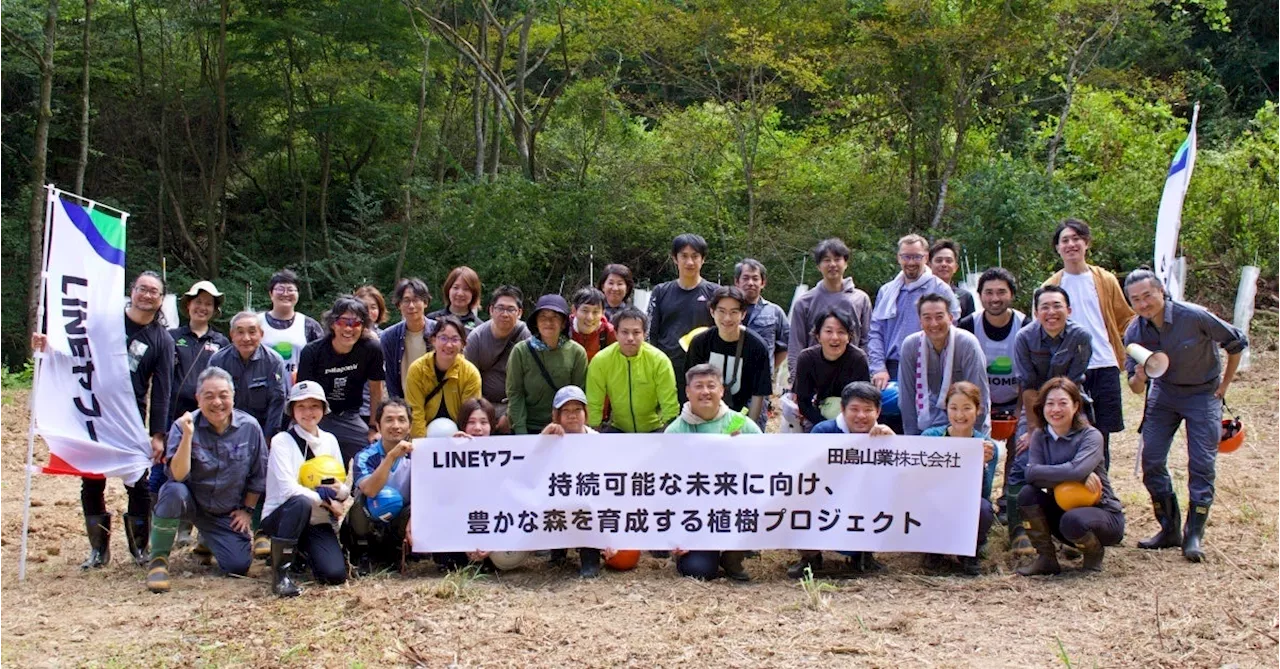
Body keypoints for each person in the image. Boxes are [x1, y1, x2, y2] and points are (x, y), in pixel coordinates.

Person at [31, 271, 176, 570]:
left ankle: (140, 548)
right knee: (92, 478)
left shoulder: (162, 340)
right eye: (142, 289)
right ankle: (99, 550)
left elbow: (163, 391)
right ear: (132, 291)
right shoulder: (104, 323)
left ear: (161, 299)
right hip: (93, 412)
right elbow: (74, 349)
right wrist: (48, 345)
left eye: (154, 292)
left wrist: (158, 433)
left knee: (138, 481)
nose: (147, 295)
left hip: (129, 418)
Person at [1123, 268, 1247, 562]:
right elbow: (1135, 388)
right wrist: (1139, 376)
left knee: (1202, 464)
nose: (1143, 304)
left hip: (1203, 393)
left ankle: (1194, 534)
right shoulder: (1135, 332)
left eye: (1147, 296)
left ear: (1161, 291)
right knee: (1151, 460)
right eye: (1135, 299)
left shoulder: (1193, 316)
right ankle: (1169, 528)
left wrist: (1225, 384)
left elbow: (1236, 342)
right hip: (1163, 394)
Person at [144, 367, 267, 593]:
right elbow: (177, 475)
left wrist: (247, 510)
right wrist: (188, 436)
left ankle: (207, 541)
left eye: (223, 395)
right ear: (198, 398)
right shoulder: (183, 426)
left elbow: (259, 475)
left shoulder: (250, 427)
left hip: (224, 512)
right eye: (209, 396)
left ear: (233, 396)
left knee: (237, 566)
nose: (217, 402)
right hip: (191, 504)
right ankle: (158, 559)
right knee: (173, 491)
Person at [1043, 218, 1135, 470]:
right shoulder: (1050, 287)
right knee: (1070, 427)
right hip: (1068, 371)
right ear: (1057, 248)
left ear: (1086, 243)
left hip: (1104, 364)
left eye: (1076, 239)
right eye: (1065, 240)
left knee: (1101, 433)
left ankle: (1101, 487)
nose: (1071, 244)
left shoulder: (1105, 279)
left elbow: (1125, 319)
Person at [1010, 285, 1092, 554]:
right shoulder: (1024, 337)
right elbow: (1029, 384)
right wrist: (1034, 428)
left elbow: (1073, 385)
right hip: (1034, 407)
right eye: (1044, 307)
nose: (1051, 312)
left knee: (1087, 458)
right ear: (1036, 313)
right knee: (1023, 456)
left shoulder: (1080, 336)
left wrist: (1063, 416)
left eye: (1057, 306)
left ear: (1068, 310)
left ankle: (1077, 528)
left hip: (1070, 404)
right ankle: (1019, 530)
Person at [1016, 377, 1124, 576]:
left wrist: (1075, 473)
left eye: (1063, 403)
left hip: (1102, 514)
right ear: (1042, 407)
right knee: (1027, 494)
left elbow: (1073, 470)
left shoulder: (1091, 436)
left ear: (1075, 406)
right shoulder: (1040, 435)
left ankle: (1093, 553)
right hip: (1063, 508)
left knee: (1072, 520)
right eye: (1050, 404)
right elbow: (1031, 475)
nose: (1056, 409)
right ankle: (1046, 558)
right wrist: (1077, 475)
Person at [666, 364, 760, 581]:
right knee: (699, 570)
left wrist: (742, 451)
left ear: (722, 391)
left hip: (733, 508)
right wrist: (675, 534)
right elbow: (666, 487)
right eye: (698, 386)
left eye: (711, 386)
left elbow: (765, 469)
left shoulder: (744, 425)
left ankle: (732, 555)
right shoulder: (675, 432)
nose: (705, 392)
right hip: (695, 516)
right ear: (688, 392)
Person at [793, 381, 894, 578]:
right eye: (854, 409)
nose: (861, 416)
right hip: (827, 496)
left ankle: (863, 555)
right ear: (842, 409)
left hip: (864, 500)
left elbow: (897, 476)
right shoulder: (823, 431)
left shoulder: (883, 435)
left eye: (868, 410)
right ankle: (810, 557)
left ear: (878, 411)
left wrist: (893, 443)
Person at [260, 381, 349, 596]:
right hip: (283, 516)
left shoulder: (330, 440)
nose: (308, 412)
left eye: (314, 406)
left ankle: (301, 553)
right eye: (301, 407)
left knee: (334, 574)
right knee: (300, 502)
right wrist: (327, 502)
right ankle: (281, 576)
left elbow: (342, 485)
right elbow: (288, 490)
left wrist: (341, 494)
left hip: (317, 520)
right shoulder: (283, 441)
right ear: (292, 411)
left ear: (323, 409)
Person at [957, 268, 1025, 519]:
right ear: (980, 295)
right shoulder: (968, 325)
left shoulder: (1024, 324)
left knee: (1019, 449)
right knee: (976, 450)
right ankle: (973, 499)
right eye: (988, 292)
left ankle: (1009, 502)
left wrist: (1020, 411)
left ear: (1012, 294)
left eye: (1001, 292)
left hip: (1015, 400)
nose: (995, 298)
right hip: (976, 402)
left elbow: (1029, 372)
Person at [868, 234, 959, 415]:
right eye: (906, 256)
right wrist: (878, 368)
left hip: (927, 368)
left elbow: (951, 331)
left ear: (926, 257)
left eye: (917, 256)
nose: (911, 262)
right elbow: (875, 332)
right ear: (898, 258)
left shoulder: (940, 289)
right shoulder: (887, 291)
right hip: (891, 368)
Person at [296, 296, 386, 466]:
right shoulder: (313, 351)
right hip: (318, 416)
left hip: (350, 415)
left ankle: (362, 491)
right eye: (343, 322)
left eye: (355, 323)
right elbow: (304, 395)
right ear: (332, 324)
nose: (348, 329)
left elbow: (376, 390)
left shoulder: (371, 349)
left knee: (374, 453)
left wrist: (374, 427)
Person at [920, 382, 997, 576]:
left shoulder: (987, 446)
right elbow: (918, 480)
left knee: (984, 509)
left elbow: (985, 493)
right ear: (946, 408)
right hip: (934, 499)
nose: (959, 415)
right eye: (953, 408)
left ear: (978, 410)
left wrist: (983, 465)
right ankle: (933, 549)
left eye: (966, 408)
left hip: (966, 502)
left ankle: (971, 552)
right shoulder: (931, 437)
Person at [538, 386, 609, 577]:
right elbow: (533, 467)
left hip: (588, 501)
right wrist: (544, 439)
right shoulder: (550, 437)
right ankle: (557, 552)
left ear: (585, 413)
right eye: (566, 411)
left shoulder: (597, 440)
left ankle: (590, 555)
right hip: (558, 499)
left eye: (577, 409)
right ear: (557, 415)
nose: (572, 416)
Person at [897, 293, 989, 435]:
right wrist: (912, 439)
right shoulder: (911, 345)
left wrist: (972, 439)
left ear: (951, 318)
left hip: (966, 423)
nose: (934, 323)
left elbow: (979, 396)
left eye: (939, 316)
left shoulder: (967, 344)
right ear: (920, 321)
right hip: (926, 424)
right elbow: (907, 396)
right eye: (927, 318)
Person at [787, 239, 872, 388]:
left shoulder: (860, 299)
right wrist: (797, 382)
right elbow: (796, 344)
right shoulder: (804, 302)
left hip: (852, 374)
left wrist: (866, 372)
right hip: (814, 376)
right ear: (819, 266)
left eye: (837, 259)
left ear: (846, 263)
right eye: (826, 260)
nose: (832, 264)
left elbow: (867, 339)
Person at [345, 398, 415, 576]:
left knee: (414, 507)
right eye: (389, 420)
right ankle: (363, 553)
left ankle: (397, 551)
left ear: (410, 426)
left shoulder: (418, 455)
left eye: (401, 419)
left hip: (400, 519)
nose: (396, 425)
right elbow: (370, 490)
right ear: (378, 425)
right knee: (360, 503)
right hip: (370, 518)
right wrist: (391, 457)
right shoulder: (365, 456)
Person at [684, 286, 772, 424]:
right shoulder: (700, 342)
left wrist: (747, 427)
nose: (727, 318)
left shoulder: (757, 347)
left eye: (734, 312)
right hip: (704, 415)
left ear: (743, 314)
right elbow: (690, 383)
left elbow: (758, 394)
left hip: (741, 415)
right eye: (721, 311)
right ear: (712, 312)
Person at [585, 307, 679, 433]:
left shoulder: (659, 360)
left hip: (655, 428)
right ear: (616, 333)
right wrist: (593, 433)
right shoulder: (601, 361)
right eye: (624, 332)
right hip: (618, 428)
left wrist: (669, 434)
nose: (630, 338)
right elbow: (594, 403)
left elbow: (670, 404)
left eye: (636, 332)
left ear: (644, 334)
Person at [646, 233, 720, 395]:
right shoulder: (660, 292)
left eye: (695, 256)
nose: (690, 262)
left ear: (703, 259)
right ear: (674, 258)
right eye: (684, 256)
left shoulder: (715, 293)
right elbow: (651, 333)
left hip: (703, 369)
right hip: (667, 367)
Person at [506, 295, 588, 434]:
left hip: (565, 427)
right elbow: (515, 394)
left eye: (555, 317)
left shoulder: (576, 352)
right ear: (536, 322)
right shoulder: (520, 351)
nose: (548, 322)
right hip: (529, 425)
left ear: (563, 323)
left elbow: (578, 395)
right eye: (543, 317)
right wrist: (521, 431)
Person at [209, 312, 290, 438]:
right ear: (232, 335)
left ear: (261, 334)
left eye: (252, 332)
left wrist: (268, 438)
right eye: (240, 332)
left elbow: (277, 402)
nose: (246, 338)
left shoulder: (273, 361)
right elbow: (211, 400)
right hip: (225, 430)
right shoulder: (218, 361)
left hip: (262, 430)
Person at [464, 285, 531, 433]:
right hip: (483, 404)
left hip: (516, 405)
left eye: (511, 309)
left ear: (519, 313)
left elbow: (529, 382)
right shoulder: (477, 337)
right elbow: (467, 379)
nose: (505, 314)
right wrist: (483, 415)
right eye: (500, 308)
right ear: (491, 310)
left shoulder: (525, 336)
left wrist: (510, 415)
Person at [791, 310, 871, 431]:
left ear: (849, 337)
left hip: (851, 418)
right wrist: (826, 426)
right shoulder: (806, 358)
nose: (835, 337)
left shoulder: (858, 359)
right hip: (817, 415)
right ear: (818, 336)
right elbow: (803, 401)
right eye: (828, 331)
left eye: (841, 332)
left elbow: (864, 399)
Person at [405, 315, 482, 437]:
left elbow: (470, 416)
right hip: (425, 434)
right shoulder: (417, 370)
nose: (449, 345)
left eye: (455, 339)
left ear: (463, 344)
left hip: (459, 436)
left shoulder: (470, 373)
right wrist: (422, 446)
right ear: (433, 340)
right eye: (443, 338)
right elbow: (415, 412)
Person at [169, 281, 230, 420]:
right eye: (198, 302)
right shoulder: (171, 337)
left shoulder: (221, 342)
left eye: (208, 304)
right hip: (173, 412)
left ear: (214, 310)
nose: (202, 307)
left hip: (208, 413)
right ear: (188, 304)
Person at [258, 269, 324, 376]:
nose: (285, 294)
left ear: (298, 294)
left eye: (290, 290)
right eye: (280, 289)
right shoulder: (256, 322)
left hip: (300, 388)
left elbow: (322, 359)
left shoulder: (309, 325)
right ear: (271, 293)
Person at [380, 277, 437, 401]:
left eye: (416, 300)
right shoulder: (389, 337)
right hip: (404, 403)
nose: (411, 306)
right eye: (406, 300)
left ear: (425, 303)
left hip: (435, 401)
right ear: (399, 305)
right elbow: (390, 378)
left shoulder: (438, 331)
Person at [355, 284, 388, 433]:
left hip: (380, 405)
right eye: (364, 307)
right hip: (354, 407)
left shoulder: (387, 336)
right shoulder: (346, 336)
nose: (369, 312)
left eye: (373, 307)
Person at [929, 239, 976, 319]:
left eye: (948, 261)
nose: (944, 264)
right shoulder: (922, 293)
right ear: (929, 265)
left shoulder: (965, 297)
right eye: (939, 260)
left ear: (955, 267)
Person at [569, 287, 617, 361]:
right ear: (574, 310)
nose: (590, 318)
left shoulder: (609, 333)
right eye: (585, 310)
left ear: (603, 313)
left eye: (595, 312)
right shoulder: (564, 328)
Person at [428, 266, 482, 330]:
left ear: (474, 293)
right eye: (456, 287)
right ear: (448, 289)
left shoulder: (479, 327)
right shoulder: (432, 320)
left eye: (466, 289)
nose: (460, 294)